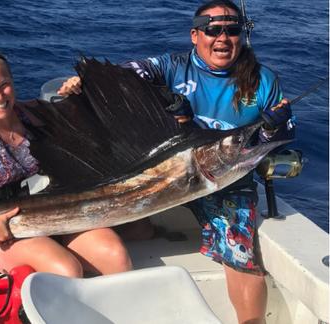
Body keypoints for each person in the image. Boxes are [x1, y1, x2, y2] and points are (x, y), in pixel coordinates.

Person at [57, 1, 294, 323]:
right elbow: (125, 76)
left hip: (227, 184)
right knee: (135, 231)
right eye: (213, 30)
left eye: (232, 30)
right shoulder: (170, 67)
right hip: (162, 178)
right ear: (195, 35)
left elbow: (276, 144)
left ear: (241, 35)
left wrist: (273, 129)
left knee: (239, 253)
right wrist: (85, 84)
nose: (223, 38)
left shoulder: (264, 81)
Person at [0, 47, 132, 278]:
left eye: (4, 84)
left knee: (116, 257)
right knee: (67, 271)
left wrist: (76, 92)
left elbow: (77, 117)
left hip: (49, 218)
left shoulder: (29, 114)